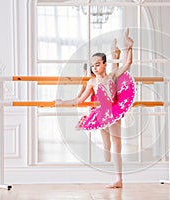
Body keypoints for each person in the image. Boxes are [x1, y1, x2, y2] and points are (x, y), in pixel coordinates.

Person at [55, 28, 135, 188]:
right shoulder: (92, 82)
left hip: (114, 111)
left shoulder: (112, 75)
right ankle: (112, 174)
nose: (94, 68)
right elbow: (79, 99)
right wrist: (62, 102)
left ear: (105, 64)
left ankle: (119, 179)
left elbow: (128, 64)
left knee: (117, 145)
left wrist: (129, 47)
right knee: (109, 144)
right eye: (93, 66)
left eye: (98, 65)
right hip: (102, 113)